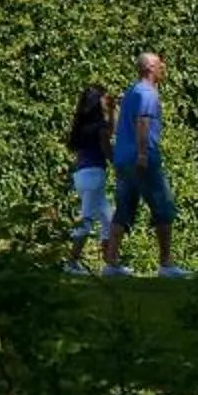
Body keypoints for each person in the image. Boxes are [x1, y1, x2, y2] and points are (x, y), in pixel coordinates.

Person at [103, 51, 189, 277]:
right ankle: (166, 264)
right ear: (150, 68)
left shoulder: (132, 91)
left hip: (123, 159)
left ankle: (111, 263)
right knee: (163, 206)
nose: (163, 68)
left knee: (124, 207)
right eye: (160, 65)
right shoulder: (147, 93)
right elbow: (142, 122)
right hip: (142, 158)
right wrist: (142, 154)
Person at [64, 85, 113, 271]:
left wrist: (112, 111)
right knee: (86, 220)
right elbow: (108, 149)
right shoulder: (99, 127)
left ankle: (111, 264)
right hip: (94, 175)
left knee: (108, 217)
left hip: (81, 174)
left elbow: (108, 130)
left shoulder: (82, 125)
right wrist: (122, 164)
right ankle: (71, 261)